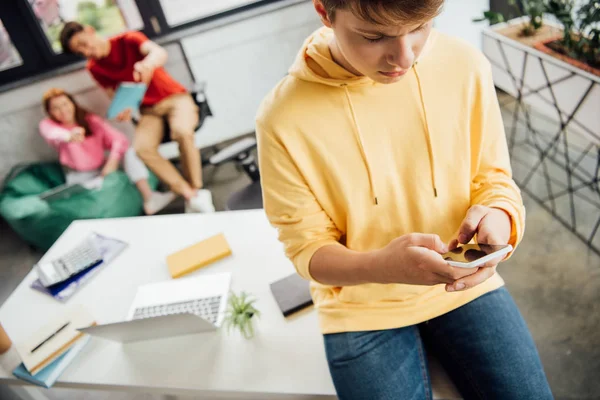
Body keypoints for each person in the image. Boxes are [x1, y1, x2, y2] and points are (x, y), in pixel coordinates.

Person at [256, 0, 553, 398]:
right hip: (360, 309)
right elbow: (307, 249)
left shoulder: (464, 66)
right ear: (325, 12)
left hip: (463, 283)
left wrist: (500, 219)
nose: (404, 57)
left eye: (420, 27)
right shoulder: (281, 118)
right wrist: (382, 265)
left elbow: (493, 178)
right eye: (375, 36)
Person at [58, 22, 214, 213]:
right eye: (79, 51)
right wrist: (123, 110)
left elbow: (159, 53)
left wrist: (147, 62)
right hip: (148, 110)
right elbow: (114, 98)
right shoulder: (94, 68)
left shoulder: (128, 40)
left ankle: (197, 189)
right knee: (141, 149)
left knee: (181, 132)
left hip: (175, 98)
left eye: (83, 43)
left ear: (90, 31)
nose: (86, 51)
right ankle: (189, 194)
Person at [40, 88, 175, 215]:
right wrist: (69, 136)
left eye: (65, 104)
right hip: (79, 176)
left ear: (72, 103)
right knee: (84, 200)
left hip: (103, 168)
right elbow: (53, 134)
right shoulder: (49, 126)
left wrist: (112, 161)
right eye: (55, 108)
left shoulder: (90, 121)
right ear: (50, 113)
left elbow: (120, 140)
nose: (63, 110)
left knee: (131, 152)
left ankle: (149, 197)